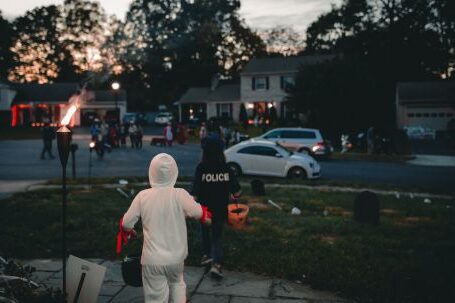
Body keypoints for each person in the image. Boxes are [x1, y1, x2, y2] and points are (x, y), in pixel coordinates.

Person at [120, 153, 212, 303]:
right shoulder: (180, 195)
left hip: (152, 260)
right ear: (174, 172)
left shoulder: (143, 196)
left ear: (152, 172)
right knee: (177, 285)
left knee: (155, 297)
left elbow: (126, 223)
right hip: (176, 259)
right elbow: (199, 212)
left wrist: (130, 230)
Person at [191, 141, 241, 278]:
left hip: (204, 211)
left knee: (205, 232)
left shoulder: (201, 168)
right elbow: (237, 192)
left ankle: (206, 255)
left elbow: (194, 194)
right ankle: (217, 265)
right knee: (217, 236)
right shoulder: (226, 168)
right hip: (220, 210)